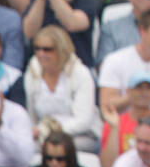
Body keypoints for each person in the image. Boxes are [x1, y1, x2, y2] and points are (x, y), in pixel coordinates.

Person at [24, 25, 98, 153]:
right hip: (43, 135)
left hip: (80, 135)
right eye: (37, 49)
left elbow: (84, 120)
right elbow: (31, 115)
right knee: (24, 145)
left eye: (47, 49)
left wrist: (50, 131)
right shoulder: (32, 72)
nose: (41, 54)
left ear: (61, 50)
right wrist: (38, 132)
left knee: (59, 148)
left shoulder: (80, 73)